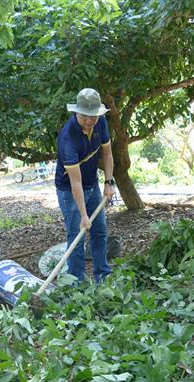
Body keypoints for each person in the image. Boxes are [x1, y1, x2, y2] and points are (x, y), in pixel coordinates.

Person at [55, 88, 115, 282]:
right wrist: (83, 215)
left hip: (92, 184)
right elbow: (75, 181)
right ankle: (76, 283)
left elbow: (107, 153)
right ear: (77, 112)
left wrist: (108, 182)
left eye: (94, 115)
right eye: (86, 116)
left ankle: (102, 276)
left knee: (99, 231)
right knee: (77, 235)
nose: (90, 120)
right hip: (69, 189)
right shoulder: (68, 138)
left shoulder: (101, 122)